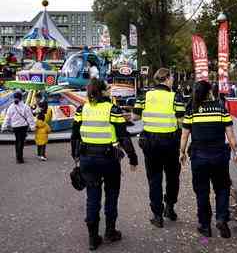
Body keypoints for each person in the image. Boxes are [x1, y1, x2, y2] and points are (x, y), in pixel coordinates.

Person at [71, 79, 138, 251]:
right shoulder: (112, 109)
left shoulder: (81, 109)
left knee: (92, 198)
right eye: (108, 88)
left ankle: (93, 238)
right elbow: (123, 136)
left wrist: (76, 156)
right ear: (102, 91)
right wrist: (132, 157)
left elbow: (75, 136)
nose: (110, 90)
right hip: (109, 160)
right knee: (112, 195)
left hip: (87, 159)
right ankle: (110, 231)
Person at [179, 80, 237, 239]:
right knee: (222, 188)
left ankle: (205, 226)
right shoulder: (221, 108)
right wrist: (236, 152)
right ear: (210, 92)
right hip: (219, 155)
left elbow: (185, 134)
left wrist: (182, 152)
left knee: (202, 191)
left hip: (199, 156)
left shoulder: (191, 110)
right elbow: (230, 134)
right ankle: (221, 218)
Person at [133, 67, 185, 228]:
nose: (173, 80)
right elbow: (182, 121)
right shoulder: (175, 96)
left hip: (150, 142)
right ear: (167, 78)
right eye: (172, 78)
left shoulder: (144, 95)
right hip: (170, 143)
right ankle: (169, 207)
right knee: (172, 176)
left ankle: (157, 215)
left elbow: (135, 116)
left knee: (154, 178)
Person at [1, 90, 35, 163]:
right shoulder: (26, 107)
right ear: (21, 98)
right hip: (23, 126)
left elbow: (7, 117)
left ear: (14, 98)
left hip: (15, 127)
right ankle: (20, 157)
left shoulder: (11, 107)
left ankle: (18, 156)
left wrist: (4, 127)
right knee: (21, 141)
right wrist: (32, 127)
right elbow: (30, 117)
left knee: (17, 141)